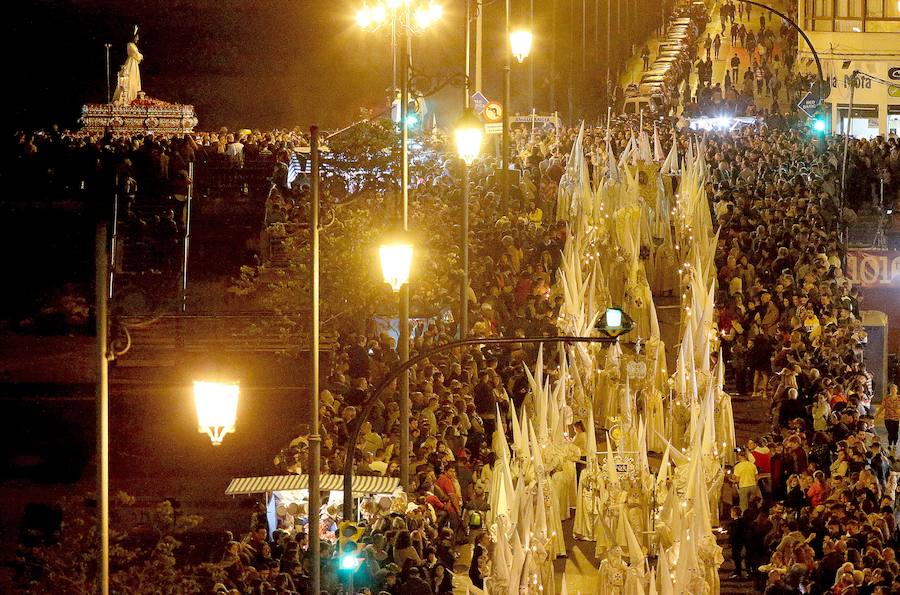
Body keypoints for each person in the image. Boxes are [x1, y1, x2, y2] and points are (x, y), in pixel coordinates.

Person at [879, 383, 899, 450]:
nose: (893, 391)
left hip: (896, 418)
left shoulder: (899, 398)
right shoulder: (886, 398)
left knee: (895, 431)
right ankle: (890, 444)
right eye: (891, 389)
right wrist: (876, 415)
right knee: (890, 432)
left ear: (896, 390)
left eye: (894, 389)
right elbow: (882, 407)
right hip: (887, 417)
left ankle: (895, 444)